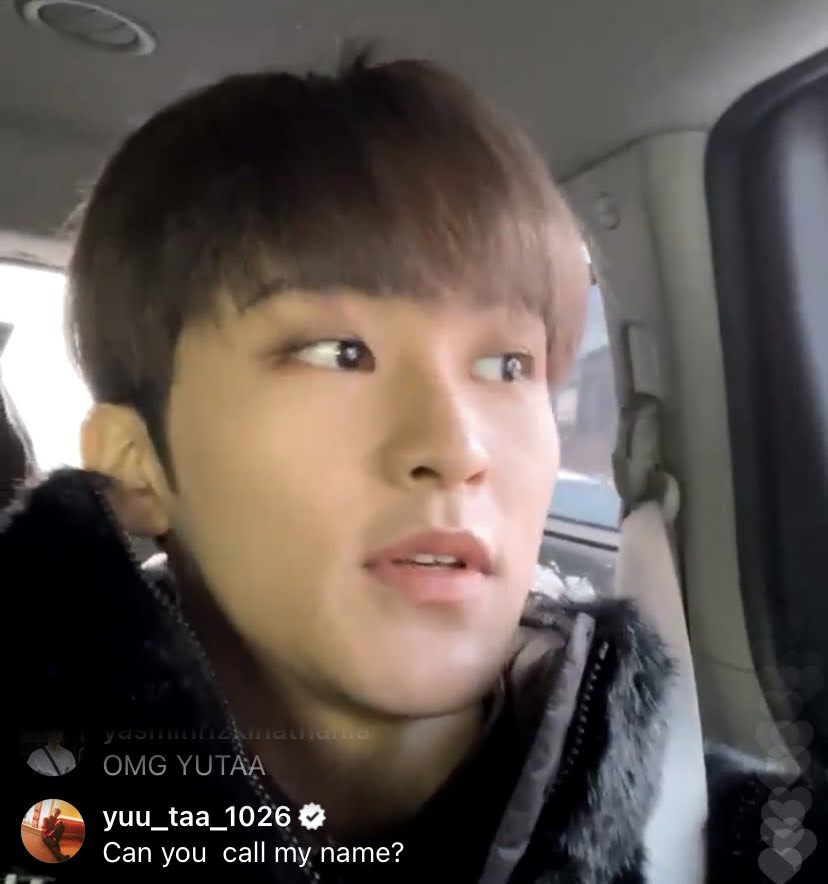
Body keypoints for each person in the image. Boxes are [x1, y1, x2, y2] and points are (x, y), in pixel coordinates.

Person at [1, 51, 825, 883]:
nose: (458, 448)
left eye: (506, 365)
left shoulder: (716, 828)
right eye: (337, 353)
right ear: (138, 468)